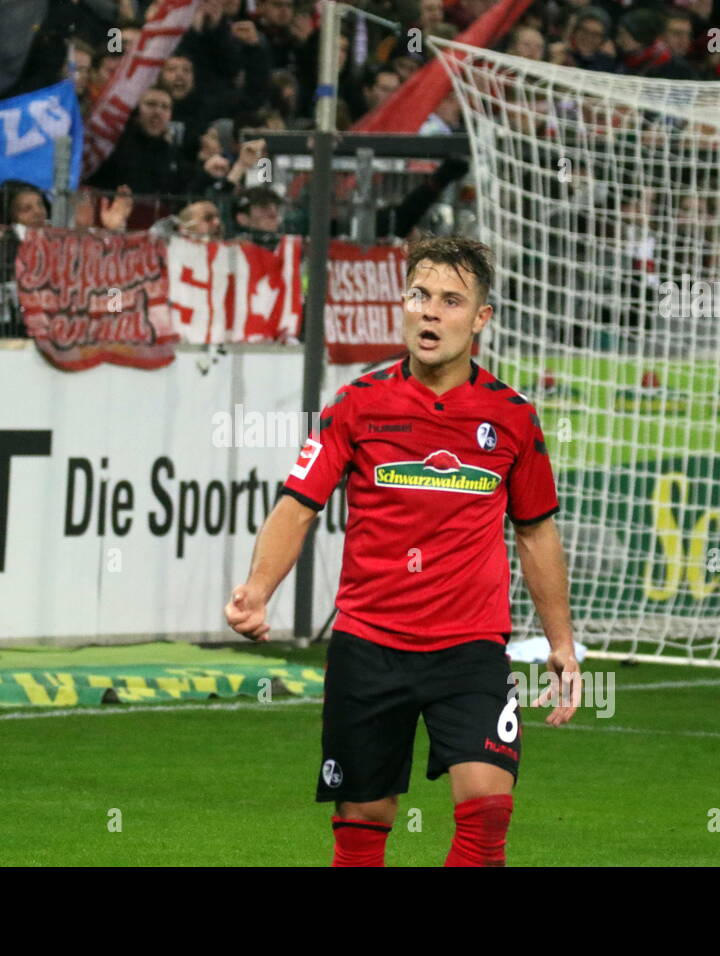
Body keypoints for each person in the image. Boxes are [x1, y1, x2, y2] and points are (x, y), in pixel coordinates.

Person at [224, 236, 580, 867]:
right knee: (364, 817)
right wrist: (257, 589)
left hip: (471, 647)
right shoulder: (357, 404)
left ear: (480, 319)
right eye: (420, 296)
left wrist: (560, 642)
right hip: (370, 645)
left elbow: (535, 532)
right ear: (404, 305)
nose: (431, 312)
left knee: (488, 810)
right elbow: (297, 504)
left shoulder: (513, 419)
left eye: (451, 300)